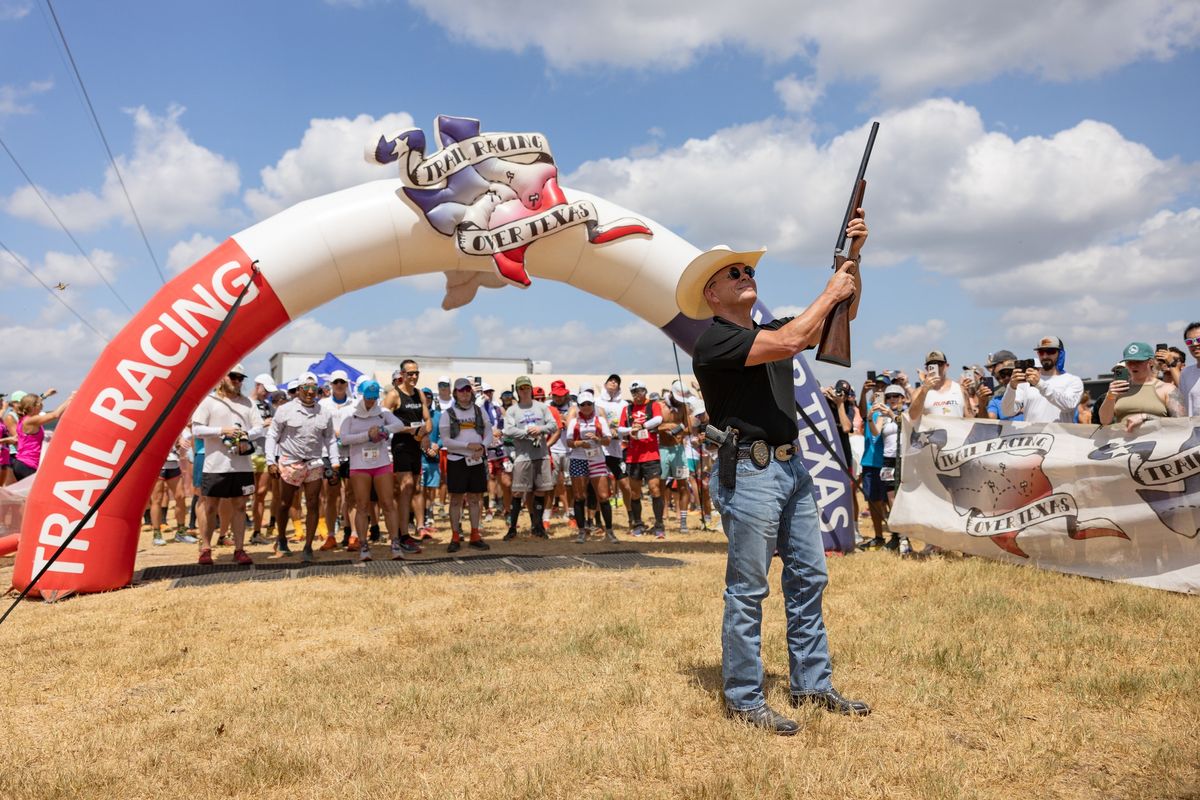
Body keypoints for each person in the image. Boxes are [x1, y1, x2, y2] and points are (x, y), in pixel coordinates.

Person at [678, 225, 870, 735]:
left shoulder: (766, 333)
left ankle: (813, 683)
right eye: (733, 273)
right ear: (711, 294)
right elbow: (795, 337)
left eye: (749, 270)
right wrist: (830, 289)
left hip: (788, 466)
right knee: (748, 589)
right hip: (749, 471)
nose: (746, 275)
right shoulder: (714, 340)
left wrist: (854, 256)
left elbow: (839, 313)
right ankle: (744, 697)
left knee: (810, 577)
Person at [191, 365, 264, 566]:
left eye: (241, 378)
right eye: (233, 376)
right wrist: (222, 430)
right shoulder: (210, 401)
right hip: (215, 464)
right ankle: (206, 548)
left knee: (240, 506)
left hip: (241, 465)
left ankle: (239, 549)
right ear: (223, 377)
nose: (237, 381)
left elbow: (259, 427)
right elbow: (196, 429)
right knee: (210, 506)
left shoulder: (248, 403)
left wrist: (245, 435)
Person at [265, 372, 340, 562]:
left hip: (314, 461)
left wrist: (335, 462)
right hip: (290, 461)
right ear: (298, 390)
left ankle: (308, 547)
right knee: (285, 503)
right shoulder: (285, 410)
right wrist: (270, 461)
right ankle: (281, 538)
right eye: (305, 388)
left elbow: (330, 439)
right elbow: (272, 435)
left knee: (313, 502)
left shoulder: (324, 412)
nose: (309, 392)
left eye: (313, 389)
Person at [338, 380, 408, 561]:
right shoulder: (349, 413)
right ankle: (363, 545)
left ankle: (395, 543)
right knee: (362, 505)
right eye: (368, 398)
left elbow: (399, 425)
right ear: (360, 395)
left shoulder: (382, 411)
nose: (371, 402)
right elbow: (344, 439)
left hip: (381, 462)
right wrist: (367, 436)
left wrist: (383, 429)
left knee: (388, 504)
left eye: (374, 398)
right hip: (359, 465)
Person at [439, 377, 492, 552]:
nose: (465, 393)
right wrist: (467, 447)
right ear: (455, 393)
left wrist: (483, 447)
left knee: (475, 498)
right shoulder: (448, 414)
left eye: (467, 390)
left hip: (476, 459)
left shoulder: (479, 411)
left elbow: (489, 431)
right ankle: (455, 535)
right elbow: (446, 440)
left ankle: (475, 534)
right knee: (455, 499)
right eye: (461, 390)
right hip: (457, 459)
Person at [503, 375, 558, 540]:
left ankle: (538, 525)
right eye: (521, 388)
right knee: (518, 491)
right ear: (517, 391)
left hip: (541, 454)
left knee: (541, 490)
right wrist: (527, 433)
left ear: (531, 388)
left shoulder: (541, 407)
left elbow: (553, 425)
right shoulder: (513, 410)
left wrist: (540, 429)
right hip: (522, 456)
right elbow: (508, 431)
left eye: (527, 387)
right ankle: (512, 527)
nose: (525, 390)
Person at [389, 361, 430, 553]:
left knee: (413, 488)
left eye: (416, 373)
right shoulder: (394, 394)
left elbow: (427, 420)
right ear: (403, 374)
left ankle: (403, 531)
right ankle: (401, 536)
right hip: (401, 445)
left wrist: (422, 434)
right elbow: (383, 420)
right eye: (410, 374)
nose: (414, 377)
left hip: (415, 445)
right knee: (405, 489)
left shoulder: (419, 393)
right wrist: (409, 430)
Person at [565, 391, 617, 543]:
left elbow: (608, 440)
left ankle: (609, 531)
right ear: (579, 406)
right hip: (578, 458)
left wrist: (597, 439)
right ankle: (582, 531)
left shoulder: (600, 419)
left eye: (589, 404)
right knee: (579, 496)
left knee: (603, 496)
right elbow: (568, 442)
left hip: (597, 458)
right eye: (583, 404)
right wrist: (580, 443)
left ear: (593, 405)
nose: (586, 407)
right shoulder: (574, 422)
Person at [1099, 342, 1185, 434]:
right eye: (1129, 362)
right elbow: (1105, 421)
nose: (1133, 366)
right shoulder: (1118, 389)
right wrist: (1110, 395)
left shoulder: (1167, 389)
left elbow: (1181, 424)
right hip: (1123, 444)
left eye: (1138, 362)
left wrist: (1146, 417)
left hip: (1157, 444)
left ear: (1151, 362)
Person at [619, 380, 666, 538]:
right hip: (633, 456)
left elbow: (658, 419)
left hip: (651, 454)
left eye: (639, 391)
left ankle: (659, 525)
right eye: (633, 392)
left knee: (655, 488)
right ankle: (638, 524)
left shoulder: (652, 405)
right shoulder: (627, 409)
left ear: (645, 391)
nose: (636, 395)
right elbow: (620, 429)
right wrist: (631, 429)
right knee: (635, 492)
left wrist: (643, 426)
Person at [1000, 336, 1083, 423]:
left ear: (1060, 353)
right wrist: (1012, 387)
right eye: (1041, 352)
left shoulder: (1073, 381)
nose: (1045, 356)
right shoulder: (1026, 382)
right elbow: (1008, 412)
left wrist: (1040, 384)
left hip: (1060, 436)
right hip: (1031, 435)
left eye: (1050, 351)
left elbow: (1068, 406)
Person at [320, 369, 357, 548]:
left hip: (350, 454)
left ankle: (354, 535)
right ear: (331, 385)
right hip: (329, 455)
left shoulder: (354, 404)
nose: (340, 385)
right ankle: (331, 535)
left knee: (351, 495)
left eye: (342, 382)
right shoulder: (323, 404)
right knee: (331, 496)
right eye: (336, 382)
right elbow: (319, 428)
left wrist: (346, 435)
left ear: (347, 383)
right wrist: (336, 434)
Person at [11, 390, 74, 480]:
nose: (42, 405)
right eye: (40, 404)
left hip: (22, 463)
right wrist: (70, 399)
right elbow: (55, 415)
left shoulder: (23, 418)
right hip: (28, 464)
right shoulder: (31, 421)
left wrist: (45, 395)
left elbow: (29, 403)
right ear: (34, 407)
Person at [907, 351, 971, 421]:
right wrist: (924, 390)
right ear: (926, 368)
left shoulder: (960, 389)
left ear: (946, 366)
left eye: (939, 364)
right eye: (932, 365)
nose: (936, 368)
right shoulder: (919, 392)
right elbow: (912, 416)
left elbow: (970, 419)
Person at [1177, 322, 1200, 415]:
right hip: (1192, 429)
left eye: (1199, 340)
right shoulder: (1186, 373)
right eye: (1190, 341)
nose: (1195, 344)